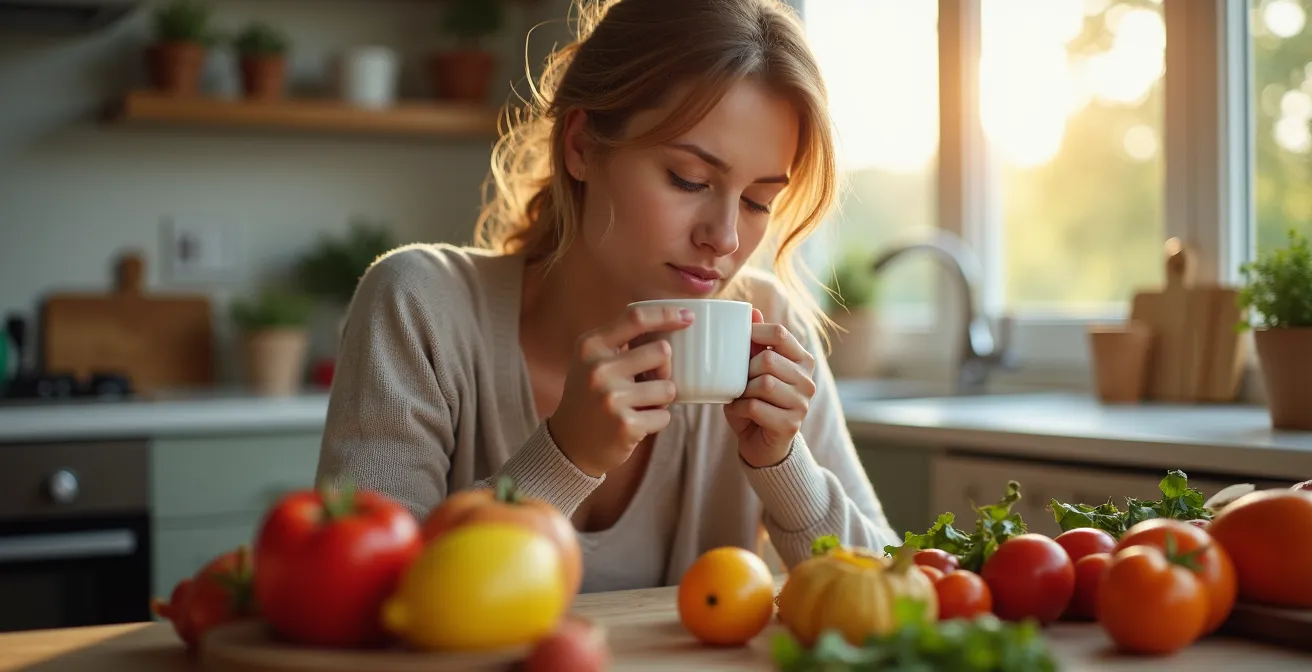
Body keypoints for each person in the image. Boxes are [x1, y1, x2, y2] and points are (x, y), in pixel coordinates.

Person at [315, 0, 899, 593]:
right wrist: (563, 457)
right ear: (582, 146)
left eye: (757, 202)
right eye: (689, 180)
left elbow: (894, 591)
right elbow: (364, 598)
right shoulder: (420, 307)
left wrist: (783, 465)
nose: (724, 239)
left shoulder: (767, 324)